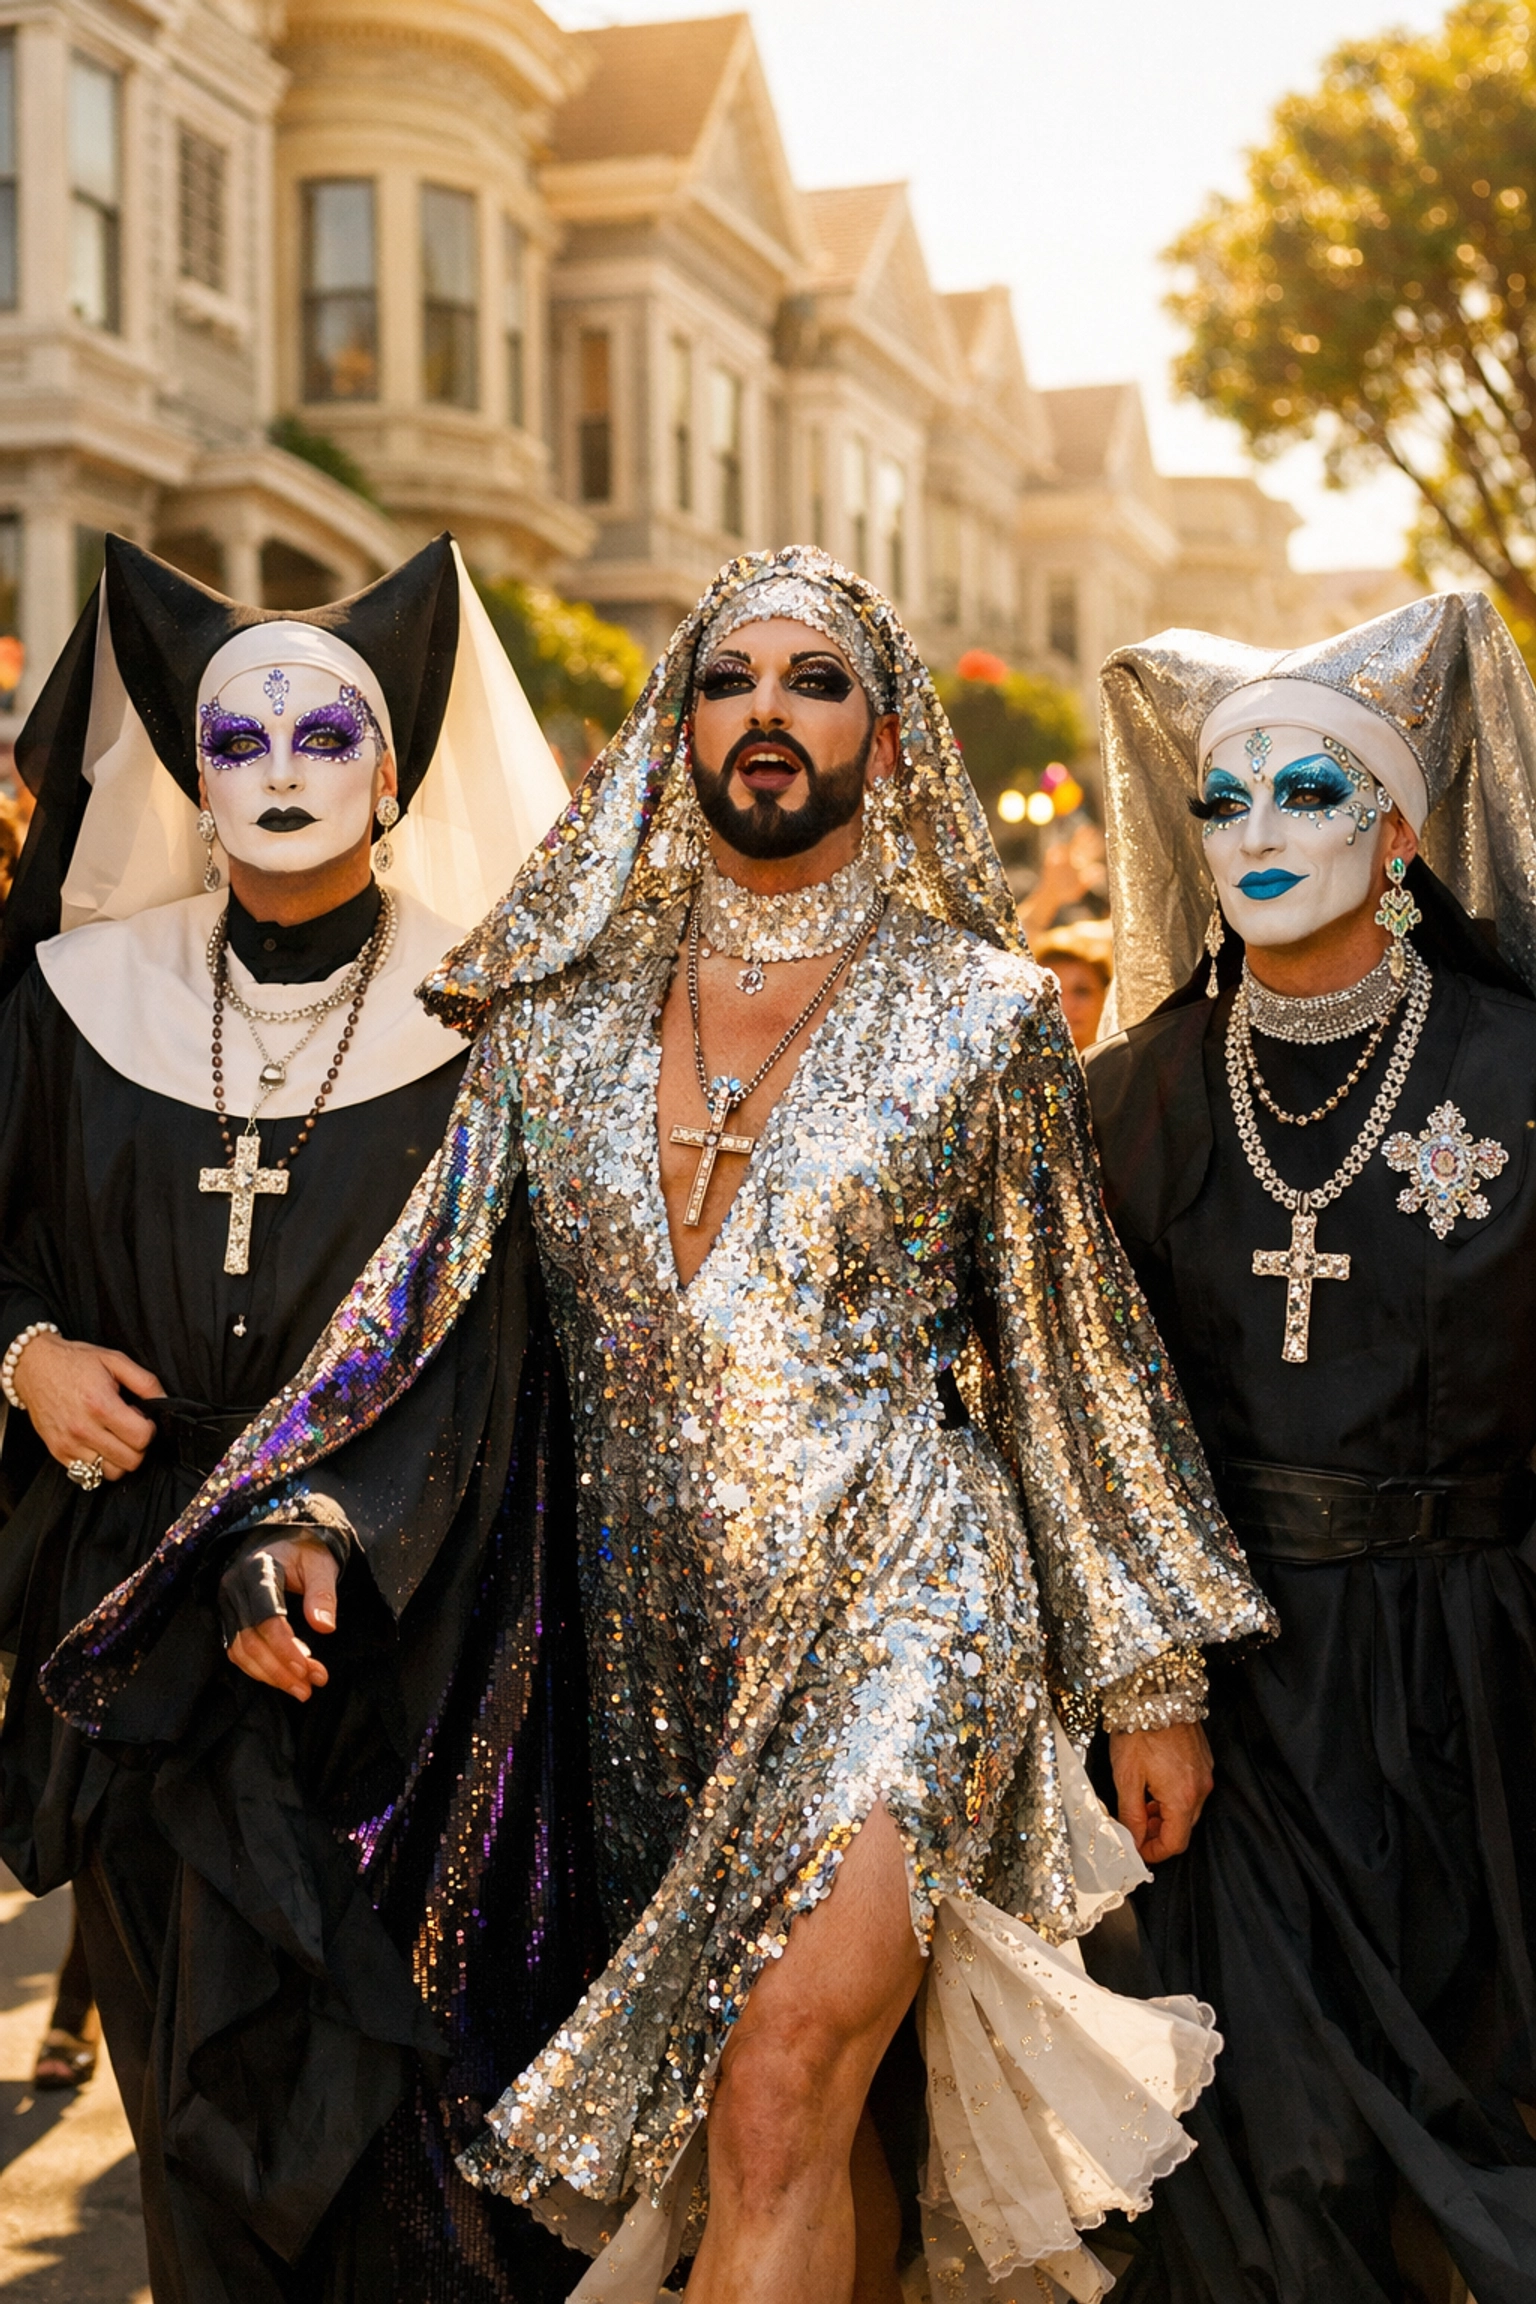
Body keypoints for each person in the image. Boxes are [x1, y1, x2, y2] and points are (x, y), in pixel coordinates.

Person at [46, 547, 1274, 2304]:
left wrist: (1148, 1676)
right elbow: (424, 1310)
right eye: (728, 678)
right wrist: (307, 1505)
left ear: (890, 733)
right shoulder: (557, 1011)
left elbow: (1076, 1349)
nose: (766, 711)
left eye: (815, 678)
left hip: (908, 1595)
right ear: (674, 725)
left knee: (779, 2071)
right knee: (777, 2130)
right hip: (637, 1635)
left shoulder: (981, 1015)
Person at [0, 534, 593, 2302]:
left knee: (384, 2125)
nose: (274, 772)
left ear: (395, 767)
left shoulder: (493, 1022)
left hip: (391, 1633)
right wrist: (20, 1347)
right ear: (187, 769)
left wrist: (330, 1514)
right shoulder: (68, 1002)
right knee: (186, 2098)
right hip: (135, 1622)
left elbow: (507, 1340)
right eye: (235, 738)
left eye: (320, 734)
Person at [1083, 593, 1536, 2304]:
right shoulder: (1126, 1096)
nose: (1258, 831)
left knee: (1473, 2143)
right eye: (1223, 800)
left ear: (1404, 828)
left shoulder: (1519, 1072)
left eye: (1309, 791)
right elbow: (1078, 1410)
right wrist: (1148, 1685)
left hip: (1480, 1687)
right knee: (1268, 2165)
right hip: (1228, 1703)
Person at [1031, 916, 1113, 1051]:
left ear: (1105, 994)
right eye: (1052, 993)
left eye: (1081, 991)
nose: (1066, 1004)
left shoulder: (1131, 1064)